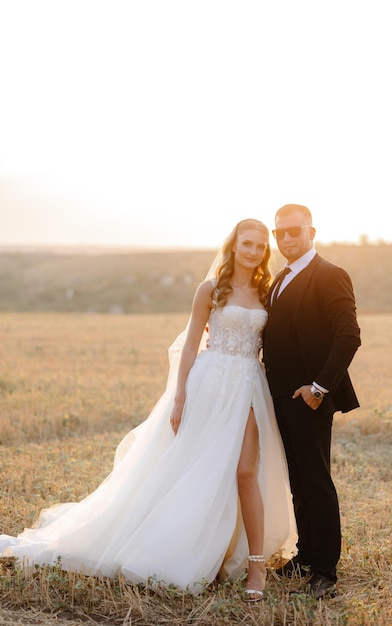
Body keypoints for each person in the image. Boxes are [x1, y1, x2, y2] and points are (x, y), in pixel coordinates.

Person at [0, 218, 297, 601]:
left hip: (248, 386)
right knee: (195, 467)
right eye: (247, 243)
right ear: (234, 245)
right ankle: (189, 546)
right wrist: (179, 397)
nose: (254, 251)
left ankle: (256, 567)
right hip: (208, 385)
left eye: (260, 245)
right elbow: (190, 346)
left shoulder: (266, 291)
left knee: (244, 472)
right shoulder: (210, 289)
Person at [263, 204, 361, 600]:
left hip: (310, 399)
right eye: (279, 233)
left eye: (293, 231)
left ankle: (324, 572)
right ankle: (305, 556)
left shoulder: (330, 274)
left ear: (311, 231)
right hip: (277, 397)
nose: (286, 239)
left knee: (316, 482)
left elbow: (348, 336)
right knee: (298, 482)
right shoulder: (279, 278)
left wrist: (319, 388)